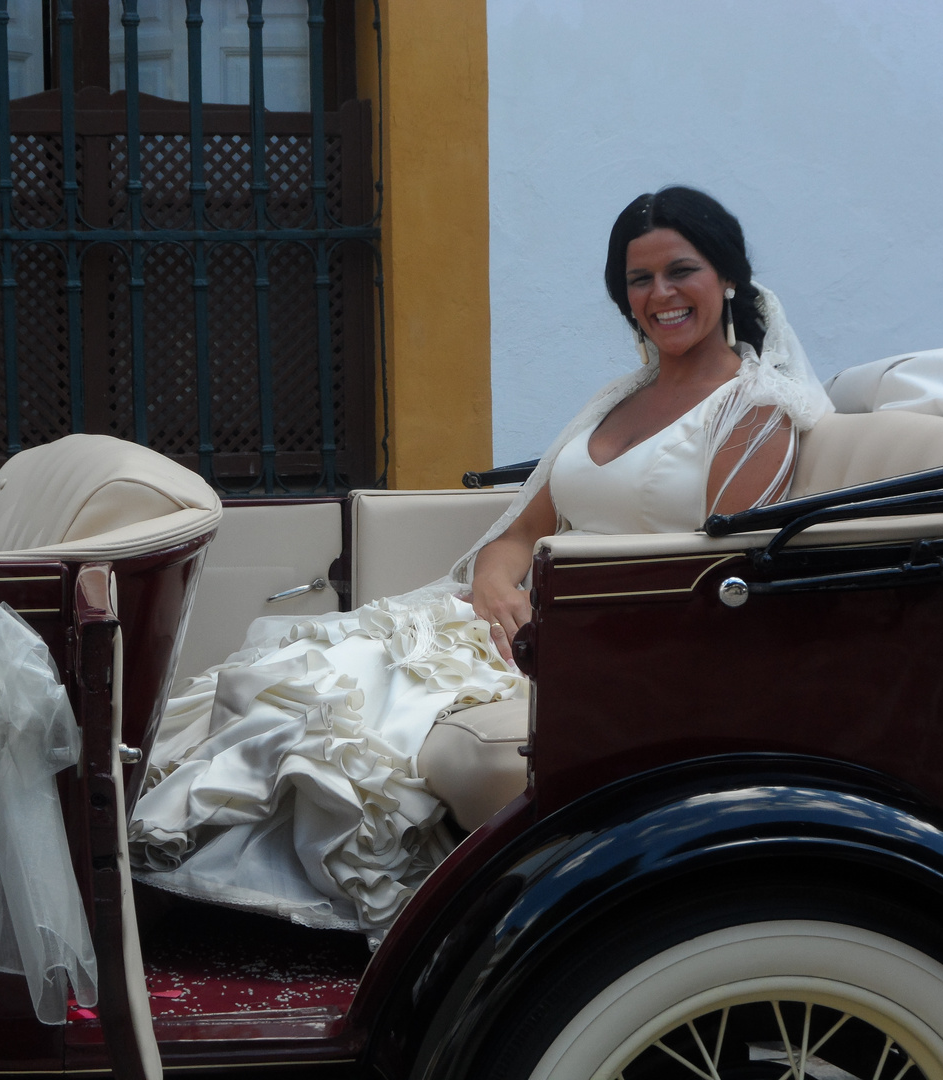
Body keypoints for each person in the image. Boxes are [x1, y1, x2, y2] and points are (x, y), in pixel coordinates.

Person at [127, 187, 833, 941]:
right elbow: (518, 535)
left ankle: (282, 915)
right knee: (287, 670)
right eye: (637, 280)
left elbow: (718, 566)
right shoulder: (616, 401)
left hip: (619, 635)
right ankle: (205, 904)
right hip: (508, 621)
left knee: (343, 704)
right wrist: (496, 584)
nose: (659, 295)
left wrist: (557, 614)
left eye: (679, 271)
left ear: (727, 276)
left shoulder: (757, 408)